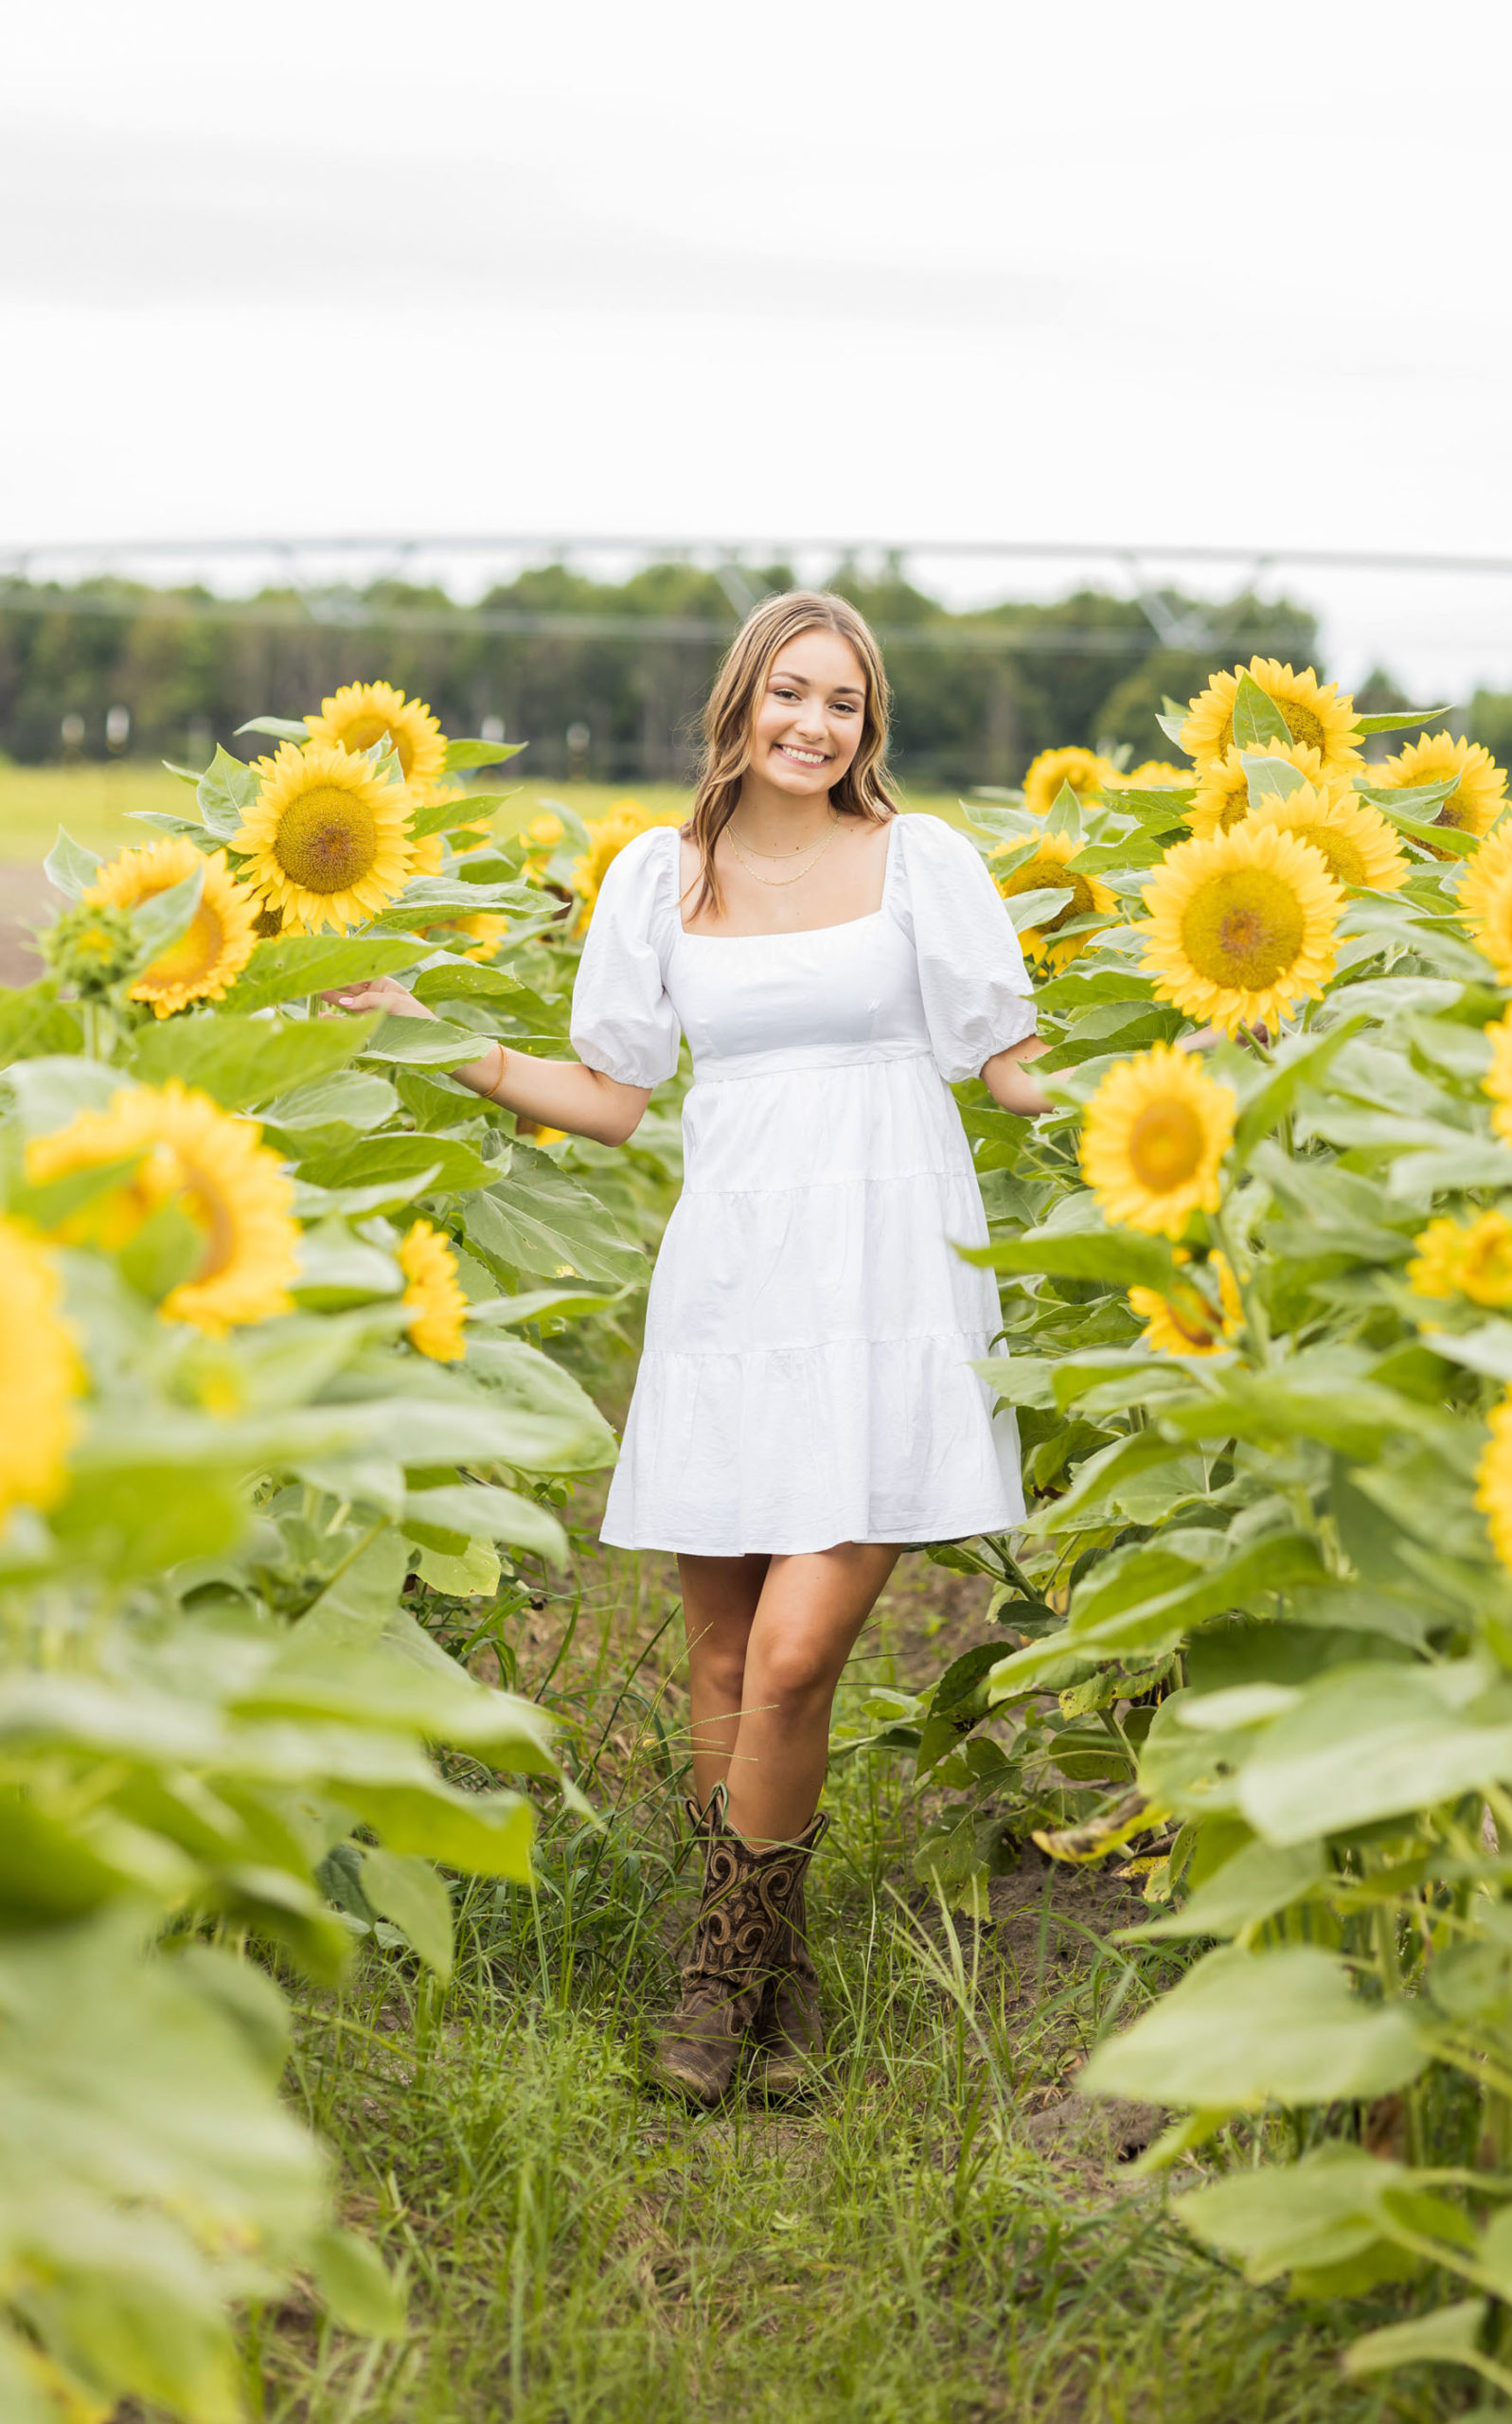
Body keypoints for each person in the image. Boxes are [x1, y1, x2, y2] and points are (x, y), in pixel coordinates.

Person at [326, 591, 1054, 2103]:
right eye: (791, 693)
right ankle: (774, 1979)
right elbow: (610, 1092)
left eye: (843, 703)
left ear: (871, 725)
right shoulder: (660, 879)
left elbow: (1013, 1068)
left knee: (793, 1658)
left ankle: (713, 1977)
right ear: (741, 702)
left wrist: (1181, 1088)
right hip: (734, 1283)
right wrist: (424, 1029)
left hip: (886, 1276)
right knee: (724, 1655)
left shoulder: (924, 863)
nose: (814, 724)